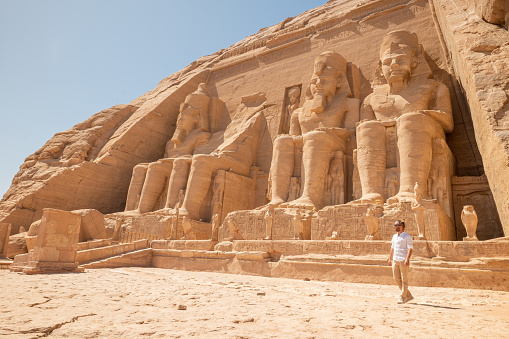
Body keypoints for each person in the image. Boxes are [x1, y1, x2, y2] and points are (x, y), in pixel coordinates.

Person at [353, 30, 453, 205]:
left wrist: (421, 115)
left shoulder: (434, 87)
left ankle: (410, 190)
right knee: (368, 128)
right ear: (380, 66)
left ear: (415, 61)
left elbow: (448, 122)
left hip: (422, 133)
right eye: (387, 62)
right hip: (387, 143)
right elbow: (362, 127)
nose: (393, 65)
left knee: (410, 121)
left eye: (401, 60)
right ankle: (371, 194)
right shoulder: (371, 99)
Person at [269, 51, 359, 210]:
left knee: (314, 137)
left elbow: (351, 134)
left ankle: (310, 197)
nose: (317, 84)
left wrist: (324, 132)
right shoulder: (298, 112)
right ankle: (277, 198)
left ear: (338, 81)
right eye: (314, 80)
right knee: (282, 141)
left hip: (334, 143)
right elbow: (293, 137)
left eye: (324, 80)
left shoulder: (348, 104)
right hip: (309, 142)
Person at [388, 220, 414, 304]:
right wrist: (390, 258)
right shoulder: (394, 236)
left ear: (401, 226)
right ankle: (408, 295)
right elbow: (392, 248)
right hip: (395, 259)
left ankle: (402, 297)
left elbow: (410, 248)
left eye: (396, 225)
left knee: (404, 279)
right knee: (396, 278)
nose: (394, 226)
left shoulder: (407, 236)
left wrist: (407, 259)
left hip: (403, 259)